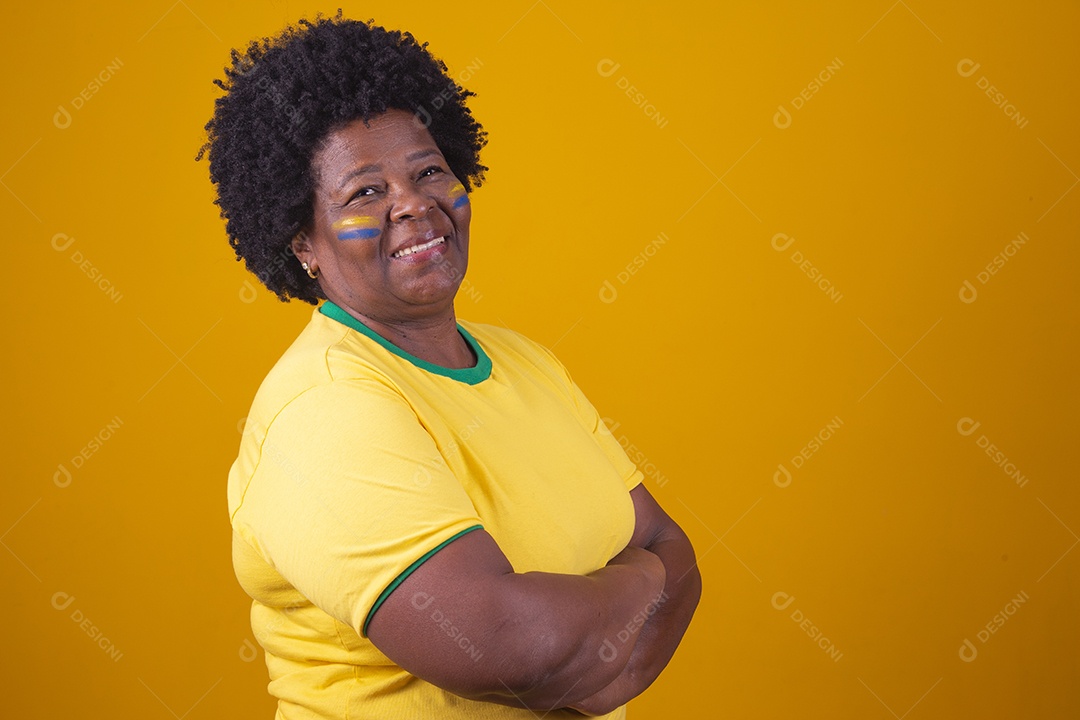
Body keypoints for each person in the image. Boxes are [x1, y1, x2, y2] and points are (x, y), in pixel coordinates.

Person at [198, 11, 701, 719]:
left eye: (430, 170)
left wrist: (595, 638)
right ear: (302, 244)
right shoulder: (326, 411)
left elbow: (670, 545)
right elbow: (502, 647)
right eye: (365, 192)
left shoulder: (525, 362)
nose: (414, 204)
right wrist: (639, 593)